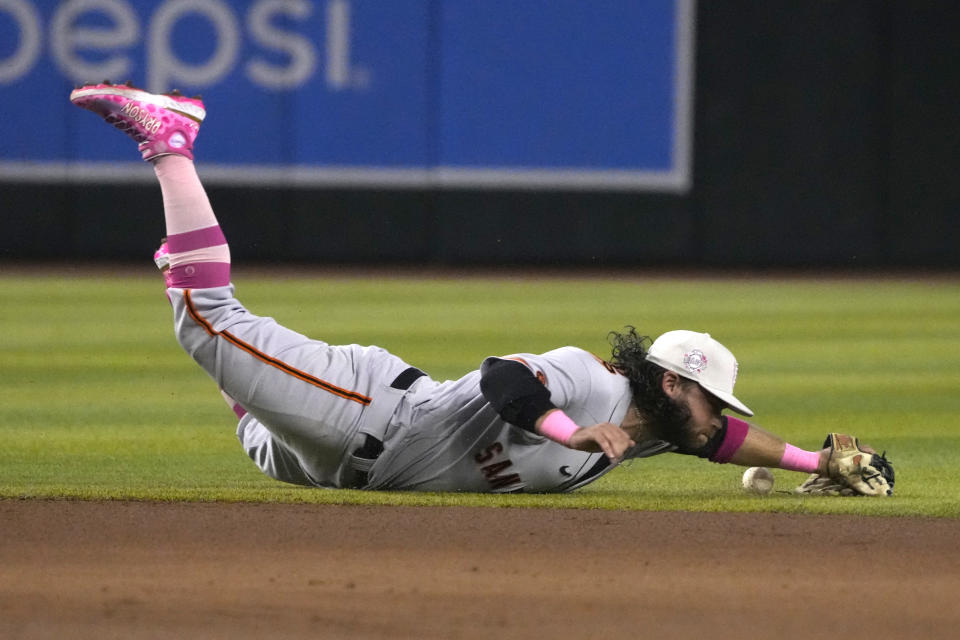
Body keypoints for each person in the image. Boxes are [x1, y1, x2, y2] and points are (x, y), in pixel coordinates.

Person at [69, 83, 887, 495]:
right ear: (672, 383)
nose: (716, 418)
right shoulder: (591, 383)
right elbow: (504, 379)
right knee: (209, 324)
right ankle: (173, 141)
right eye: (712, 400)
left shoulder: (654, 428)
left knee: (246, 409)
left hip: (322, 463)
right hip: (370, 414)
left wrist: (822, 460)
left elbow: (725, 444)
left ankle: (183, 251)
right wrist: (568, 430)